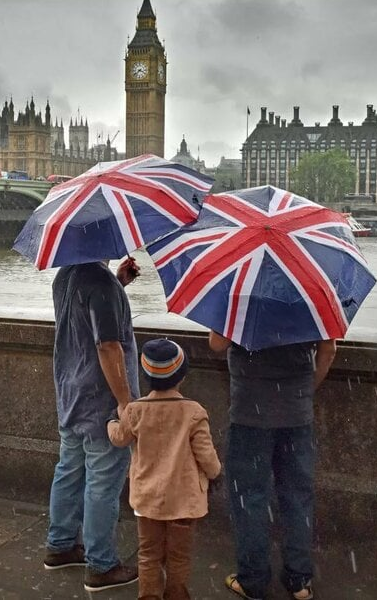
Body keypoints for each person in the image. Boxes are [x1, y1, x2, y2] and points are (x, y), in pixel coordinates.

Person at [210, 331, 335, 600]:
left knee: (249, 497)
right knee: (297, 496)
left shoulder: (241, 293)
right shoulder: (312, 294)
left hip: (249, 411)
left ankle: (253, 581)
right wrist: (304, 390)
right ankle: (299, 580)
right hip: (297, 413)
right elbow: (329, 350)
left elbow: (216, 343)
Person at [44, 256, 142, 593]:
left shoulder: (66, 275)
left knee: (69, 468)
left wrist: (118, 282)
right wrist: (126, 403)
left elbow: (83, 326)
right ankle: (101, 565)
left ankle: (60, 545)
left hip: (71, 392)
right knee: (103, 480)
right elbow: (108, 346)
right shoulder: (99, 284)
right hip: (101, 400)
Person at [108, 339, 222, 600]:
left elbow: (119, 438)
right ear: (182, 376)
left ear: (146, 376)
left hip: (148, 499)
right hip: (183, 500)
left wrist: (112, 421)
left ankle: (149, 596)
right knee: (178, 556)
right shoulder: (193, 411)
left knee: (148, 553)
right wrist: (216, 474)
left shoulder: (136, 411)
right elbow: (206, 456)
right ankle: (176, 595)